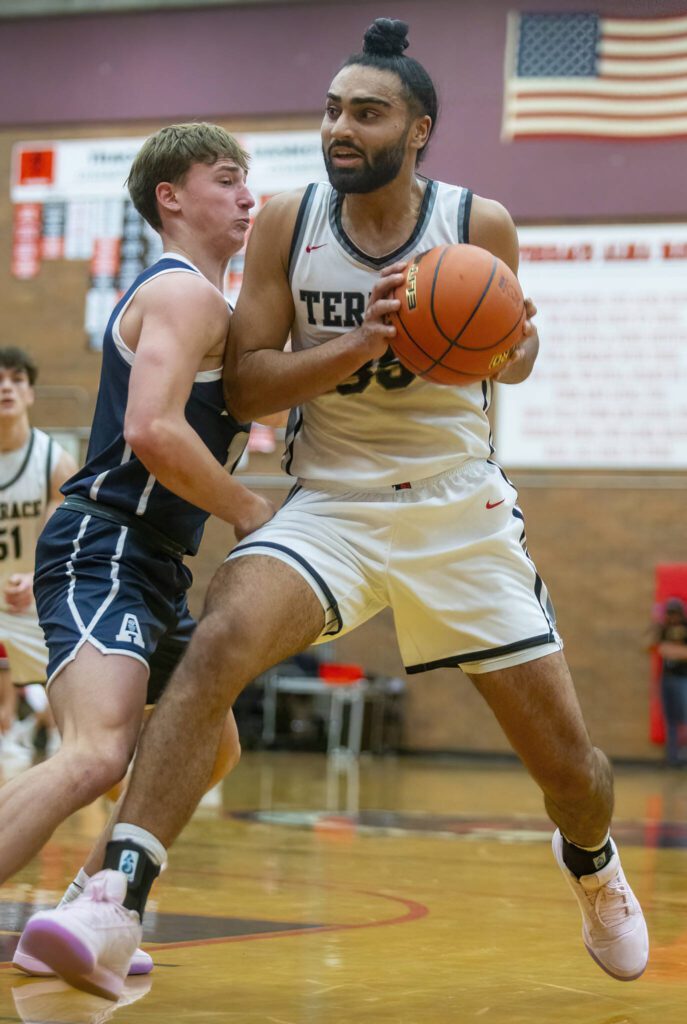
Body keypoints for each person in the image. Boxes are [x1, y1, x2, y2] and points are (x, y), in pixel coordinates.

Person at [23, 19, 648, 997]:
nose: (340, 127)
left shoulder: (479, 222)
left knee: (570, 768)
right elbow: (249, 389)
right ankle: (114, 893)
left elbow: (515, 355)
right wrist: (365, 340)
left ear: (420, 128)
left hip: (460, 509)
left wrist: (514, 342)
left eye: (366, 111)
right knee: (221, 638)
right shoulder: (289, 222)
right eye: (331, 109)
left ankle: (594, 862)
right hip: (334, 500)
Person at [8, 122, 274, 989]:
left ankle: (86, 906)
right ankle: (88, 903)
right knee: (97, 752)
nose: (246, 196)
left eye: (249, 181)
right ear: (171, 196)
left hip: (156, 561)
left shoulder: (219, 309)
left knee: (207, 746)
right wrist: (245, 510)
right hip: (105, 541)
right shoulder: (183, 292)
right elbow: (151, 429)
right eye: (227, 179)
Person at [0, 348, 77, 757]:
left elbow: (67, 545)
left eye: (16, 379)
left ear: (30, 393)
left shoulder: (53, 461)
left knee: (82, 717)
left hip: (32, 604)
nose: (6, 387)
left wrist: (36, 578)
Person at [651, 597, 687, 766]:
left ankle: (683, 754)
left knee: (684, 717)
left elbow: (671, 651)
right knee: (670, 718)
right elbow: (653, 646)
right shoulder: (664, 629)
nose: (672, 618)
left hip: (682, 679)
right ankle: (672, 757)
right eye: (669, 614)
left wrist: (671, 651)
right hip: (667, 678)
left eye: (675, 614)